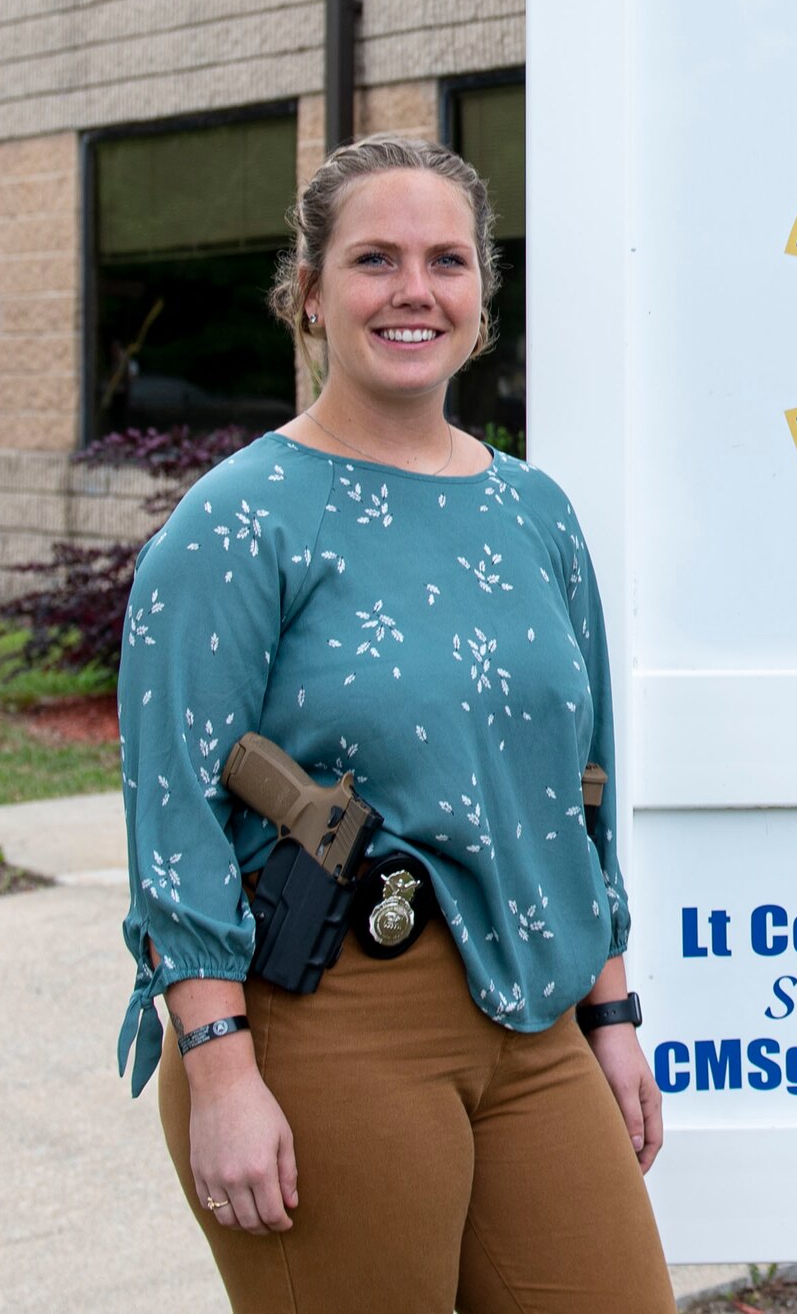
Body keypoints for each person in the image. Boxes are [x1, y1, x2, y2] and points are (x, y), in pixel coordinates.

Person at [114, 135, 675, 1314]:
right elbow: (173, 812)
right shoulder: (239, 521)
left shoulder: (531, 508)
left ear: (480, 296)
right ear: (308, 293)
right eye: (374, 259)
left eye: (447, 260)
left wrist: (610, 1010)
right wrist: (219, 1067)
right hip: (330, 1020)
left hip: (535, 1017)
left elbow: (580, 785)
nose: (414, 290)